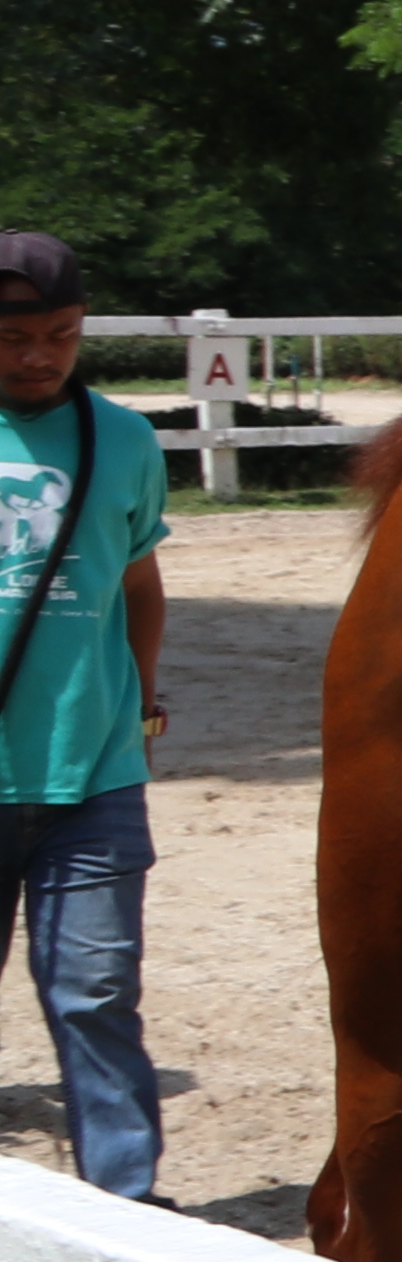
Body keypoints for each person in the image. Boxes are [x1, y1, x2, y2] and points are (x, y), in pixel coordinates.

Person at [0, 232, 173, 1199]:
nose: (41, 356)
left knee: (98, 994)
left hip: (94, 774)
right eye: (15, 337)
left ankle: (128, 1209)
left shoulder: (126, 441)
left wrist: (136, 703)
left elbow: (139, 582)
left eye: (61, 335)